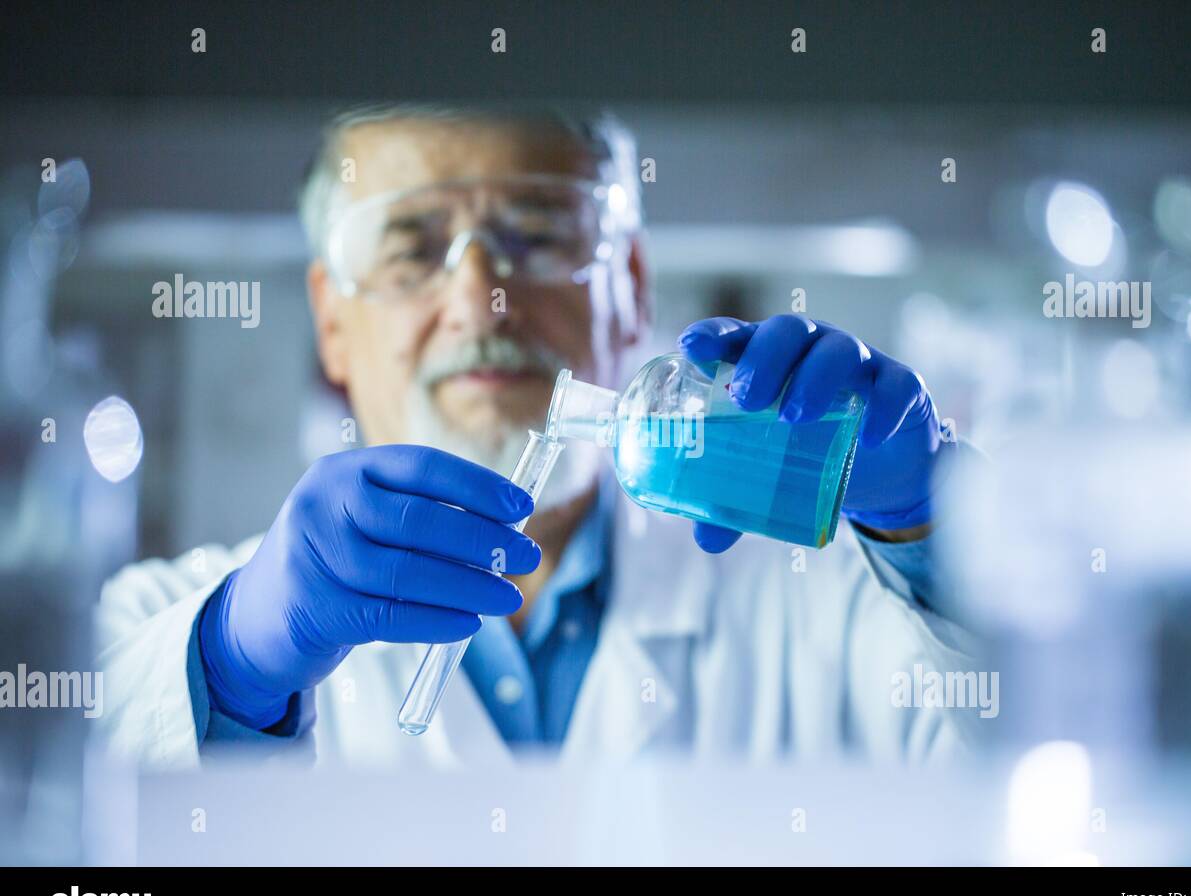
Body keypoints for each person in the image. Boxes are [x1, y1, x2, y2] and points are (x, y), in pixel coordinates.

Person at [95, 104, 982, 768]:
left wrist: (940, 529)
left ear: (629, 286)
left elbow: (1060, 792)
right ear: (331, 319)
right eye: (412, 247)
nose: (483, 293)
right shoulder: (163, 623)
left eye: (541, 234)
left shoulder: (831, 594)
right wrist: (232, 673)